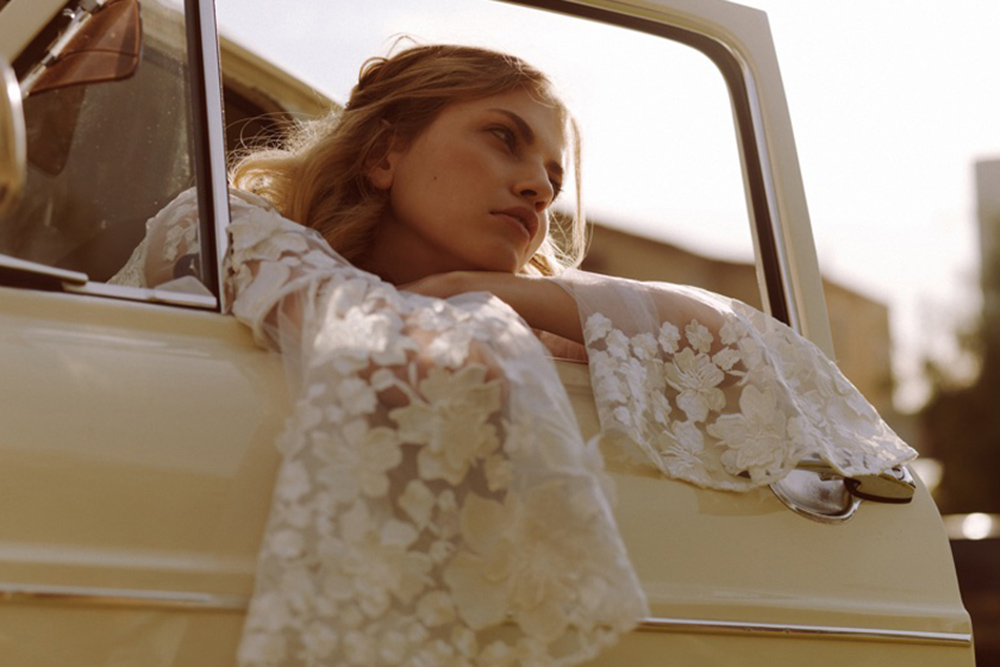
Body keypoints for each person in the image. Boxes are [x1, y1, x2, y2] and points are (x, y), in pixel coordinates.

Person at [113, 44, 916, 666]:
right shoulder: (220, 226)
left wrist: (475, 286)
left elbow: (744, 346)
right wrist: (469, 303)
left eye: (553, 176)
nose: (538, 187)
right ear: (384, 155)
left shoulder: (511, 316)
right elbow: (383, 340)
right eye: (504, 139)